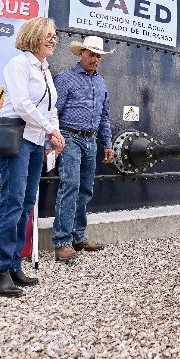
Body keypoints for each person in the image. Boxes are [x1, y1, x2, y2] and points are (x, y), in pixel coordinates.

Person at [0, 16, 65, 297]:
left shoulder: (44, 68)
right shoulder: (18, 64)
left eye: (55, 35)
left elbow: (49, 107)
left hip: (35, 142)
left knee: (26, 204)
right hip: (17, 140)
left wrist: (53, 132)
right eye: (48, 34)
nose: (53, 39)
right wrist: (49, 130)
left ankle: (13, 264)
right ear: (33, 35)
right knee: (12, 202)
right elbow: (22, 104)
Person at [52, 35, 116, 262]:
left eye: (98, 55)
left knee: (85, 189)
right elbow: (53, 112)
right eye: (91, 54)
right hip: (69, 138)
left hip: (91, 141)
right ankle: (62, 242)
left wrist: (107, 144)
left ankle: (78, 237)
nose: (95, 59)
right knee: (70, 186)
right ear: (81, 54)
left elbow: (104, 116)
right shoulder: (65, 79)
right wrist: (53, 139)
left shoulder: (101, 82)